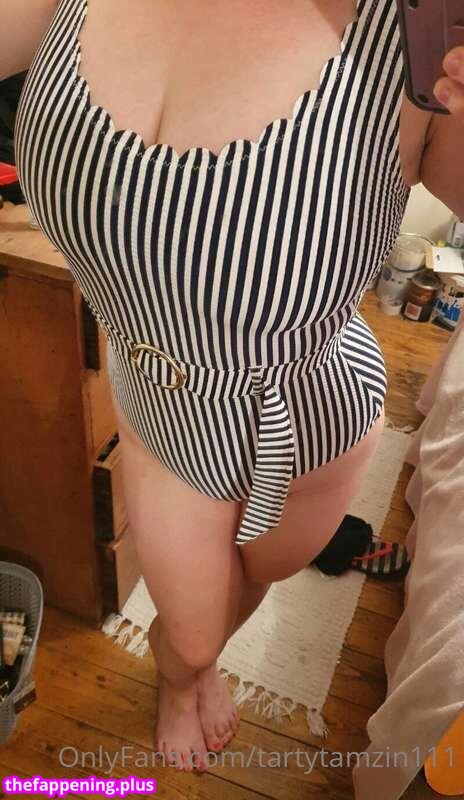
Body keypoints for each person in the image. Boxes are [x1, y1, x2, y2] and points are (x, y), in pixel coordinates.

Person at [3, 0, 463, 775]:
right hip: (165, 413)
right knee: (187, 633)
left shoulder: (424, 26)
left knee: (259, 575)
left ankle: (202, 665)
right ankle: (185, 677)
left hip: (317, 404)